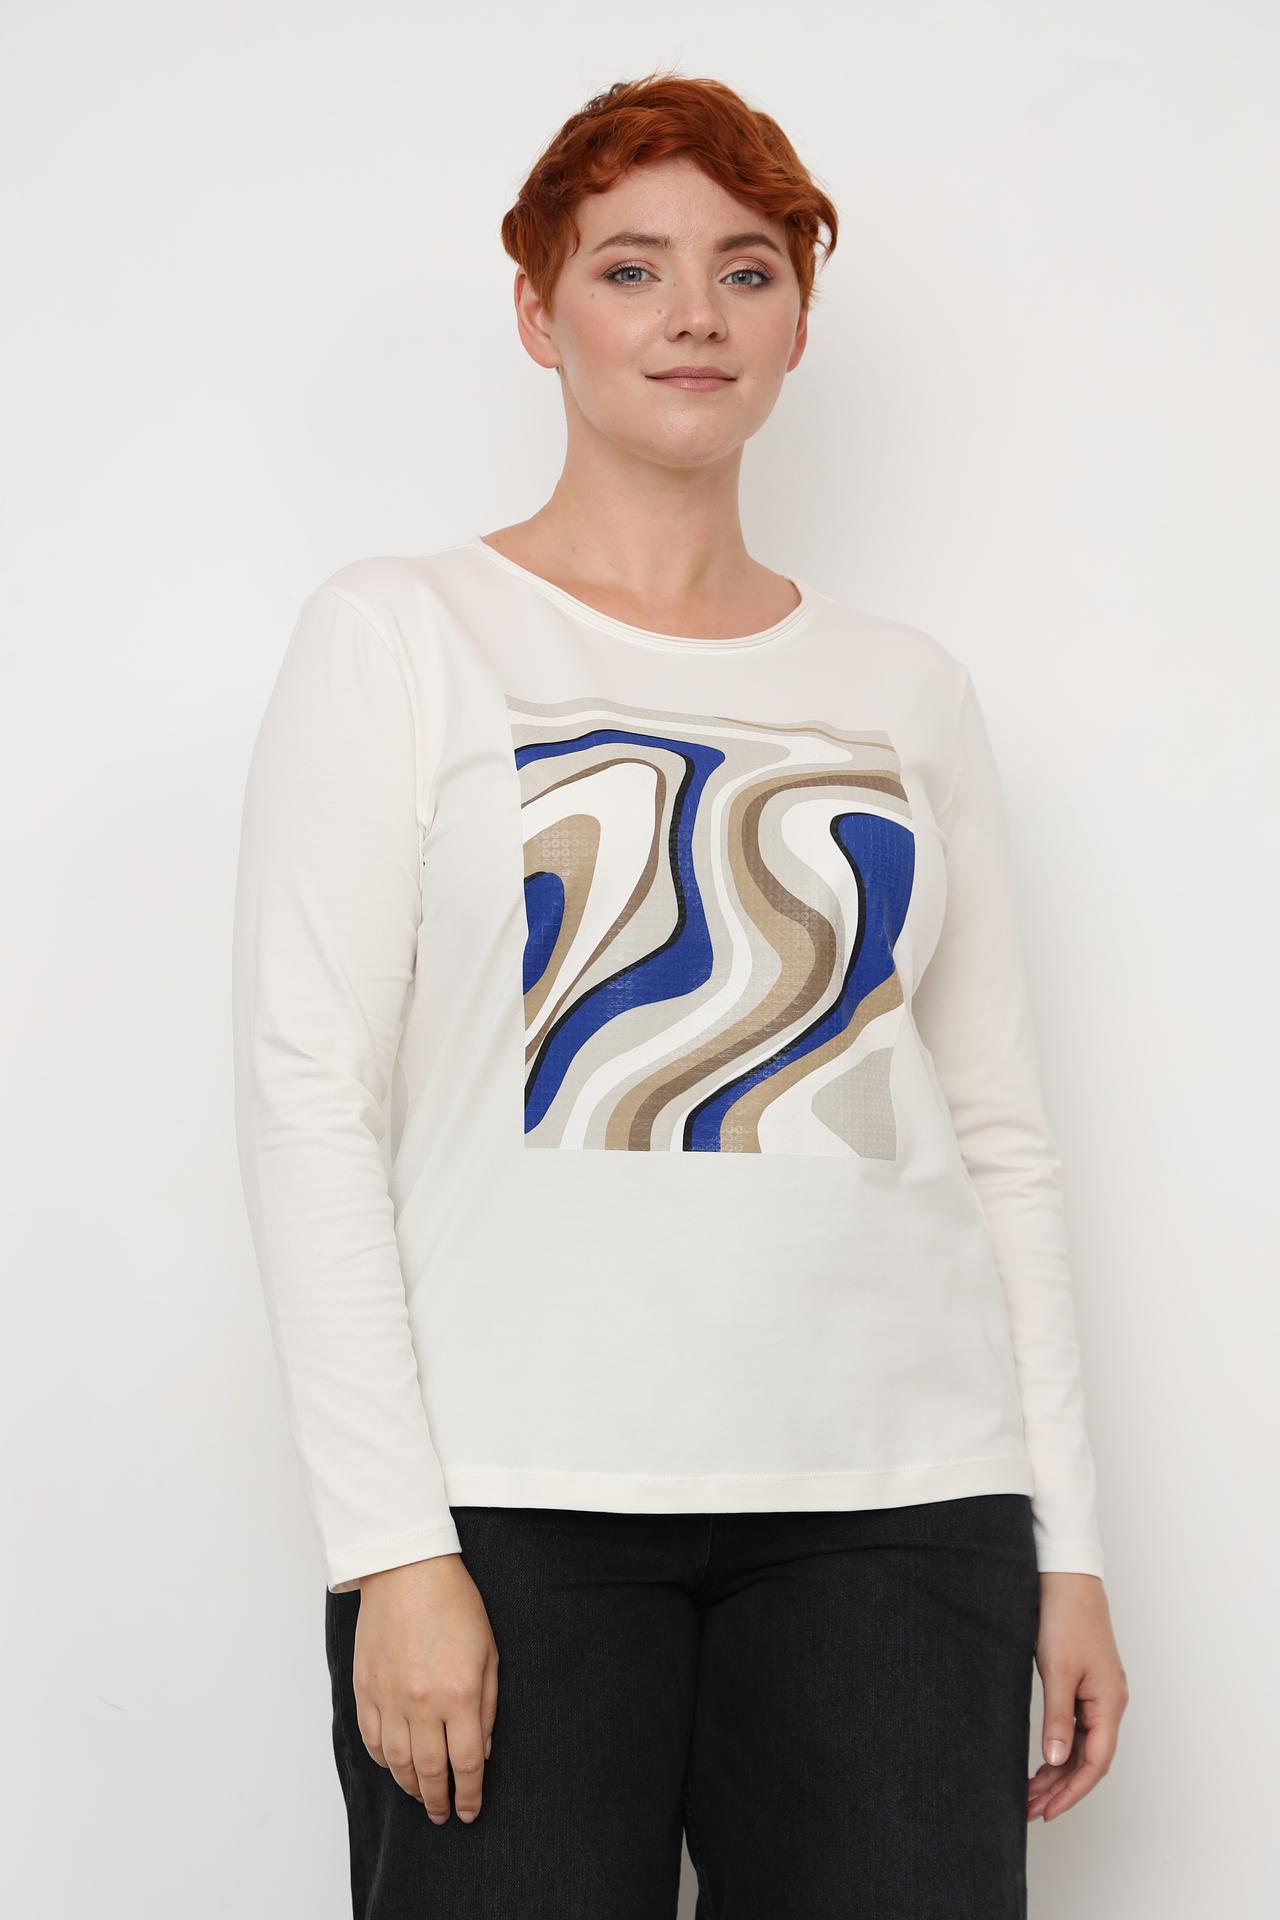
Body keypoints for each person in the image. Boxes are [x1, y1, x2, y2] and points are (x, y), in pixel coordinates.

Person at [231, 68, 1128, 1919]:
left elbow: (999, 1139)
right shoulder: (402, 634)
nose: (693, 315)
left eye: (747, 269)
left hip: (902, 1518)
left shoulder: (907, 688)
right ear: (537, 310)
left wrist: (1071, 1549)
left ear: (801, 317)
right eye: (630, 268)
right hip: (518, 1512)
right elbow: (310, 1095)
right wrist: (391, 1546)